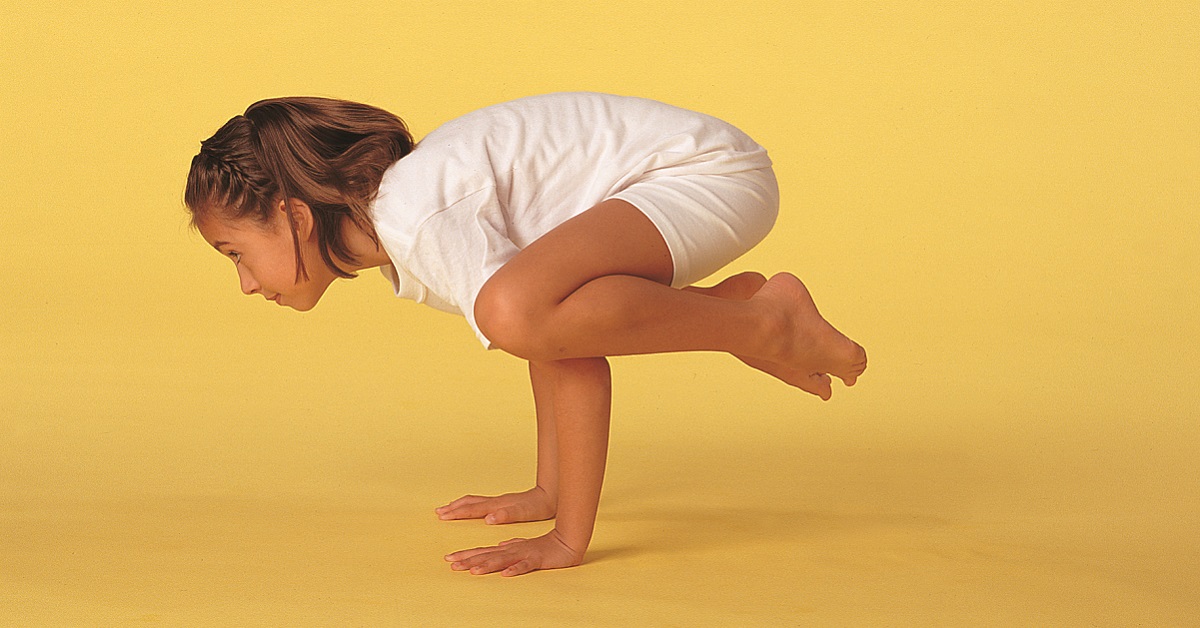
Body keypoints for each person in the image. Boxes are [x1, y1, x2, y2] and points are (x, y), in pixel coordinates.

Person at [184, 92, 867, 577]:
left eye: (235, 251)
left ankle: (762, 324)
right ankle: (741, 311)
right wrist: (548, 493)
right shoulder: (410, 223)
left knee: (514, 312)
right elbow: (563, 340)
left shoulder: (416, 217)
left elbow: (553, 345)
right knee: (525, 311)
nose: (245, 282)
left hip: (709, 177)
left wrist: (568, 540)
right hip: (686, 185)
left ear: (293, 215)